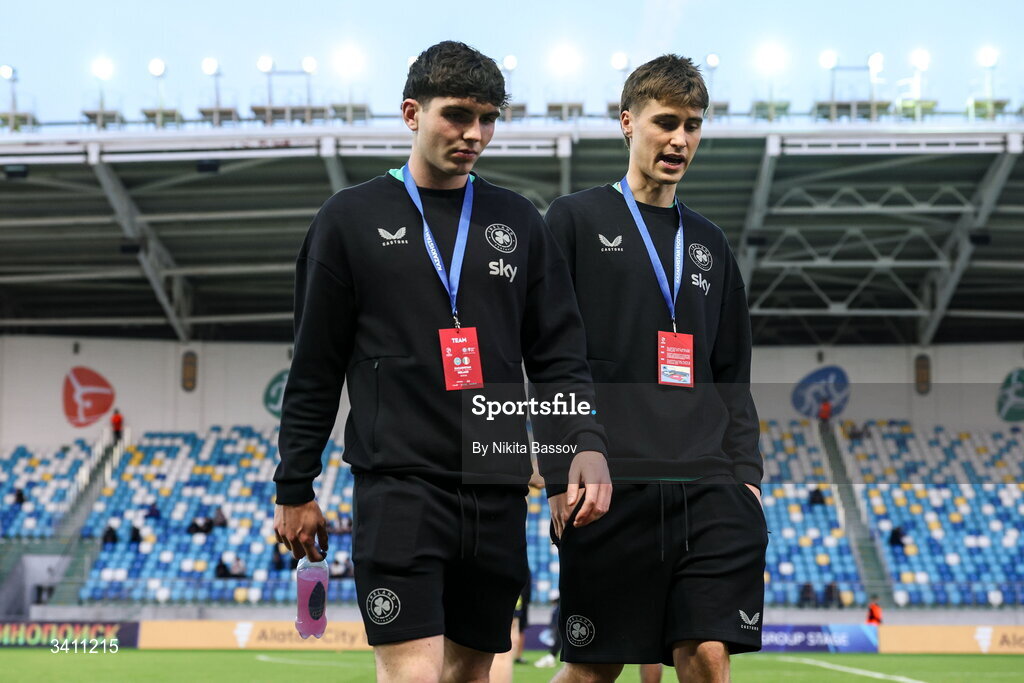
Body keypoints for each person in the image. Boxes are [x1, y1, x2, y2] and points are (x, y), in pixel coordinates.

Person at [273, 41, 612, 683]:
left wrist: (584, 444)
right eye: (458, 115)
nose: (475, 134)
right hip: (400, 485)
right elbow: (315, 365)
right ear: (412, 113)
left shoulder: (518, 221)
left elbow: (560, 357)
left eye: (488, 119)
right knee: (413, 675)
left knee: (471, 675)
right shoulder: (349, 220)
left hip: (499, 491)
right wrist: (295, 484)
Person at [540, 54, 767, 682]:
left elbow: (732, 375)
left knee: (708, 658)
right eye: (665, 122)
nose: (680, 139)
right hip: (612, 486)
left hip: (709, 485)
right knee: (596, 669)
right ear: (626, 122)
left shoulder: (710, 244)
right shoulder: (574, 221)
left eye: (693, 125)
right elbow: (548, 356)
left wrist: (746, 479)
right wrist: (561, 472)